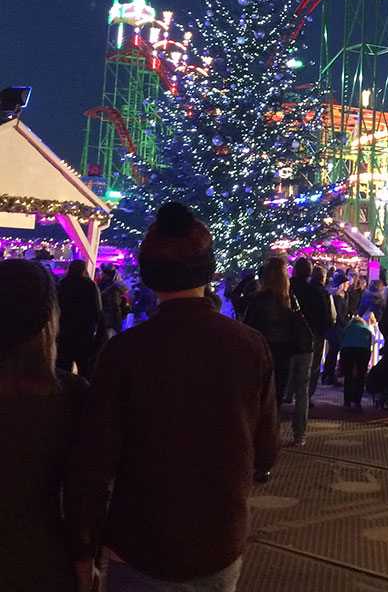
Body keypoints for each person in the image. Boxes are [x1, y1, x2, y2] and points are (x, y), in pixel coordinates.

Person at [64, 201, 278, 592]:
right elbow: (265, 453)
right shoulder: (249, 346)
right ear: (208, 270)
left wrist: (83, 546)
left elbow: (94, 464)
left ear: (149, 275)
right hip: (219, 539)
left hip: (141, 541)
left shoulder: (124, 352)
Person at [0, 259, 87, 592]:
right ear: (49, 321)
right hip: (39, 556)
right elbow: (84, 490)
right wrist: (84, 555)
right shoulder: (72, 396)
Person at [243, 256, 312, 445]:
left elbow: (248, 327)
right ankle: (271, 437)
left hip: (262, 351)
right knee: (276, 398)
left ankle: (257, 436)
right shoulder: (290, 301)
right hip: (284, 353)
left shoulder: (258, 300)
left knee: (258, 397)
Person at [289, 256, 334, 399]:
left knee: (289, 366)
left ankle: (287, 394)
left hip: (289, 334)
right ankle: (305, 399)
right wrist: (320, 331)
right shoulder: (316, 293)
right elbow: (326, 316)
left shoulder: (288, 289)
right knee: (310, 369)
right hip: (311, 335)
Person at [55, 259, 102, 379]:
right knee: (85, 368)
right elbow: (96, 310)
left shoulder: (63, 285)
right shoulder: (89, 286)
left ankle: (64, 394)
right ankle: (84, 394)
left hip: (64, 331)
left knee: (63, 368)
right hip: (84, 332)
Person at [339, 314, 374, 410]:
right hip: (363, 350)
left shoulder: (348, 327)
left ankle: (347, 400)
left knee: (348, 374)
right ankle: (357, 401)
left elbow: (341, 340)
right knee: (361, 375)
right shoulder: (366, 329)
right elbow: (369, 343)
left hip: (348, 349)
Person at [321, 271, 348, 386]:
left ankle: (327, 375)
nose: (348, 285)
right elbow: (339, 316)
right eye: (346, 283)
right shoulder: (338, 298)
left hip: (334, 330)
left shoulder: (336, 297)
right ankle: (329, 376)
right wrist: (346, 322)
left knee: (332, 354)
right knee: (333, 354)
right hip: (336, 330)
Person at [98, 265, 131, 337]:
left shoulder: (112, 290)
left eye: (105, 273)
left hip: (108, 325)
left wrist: (112, 326)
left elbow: (114, 309)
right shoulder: (105, 286)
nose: (102, 274)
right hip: (105, 323)